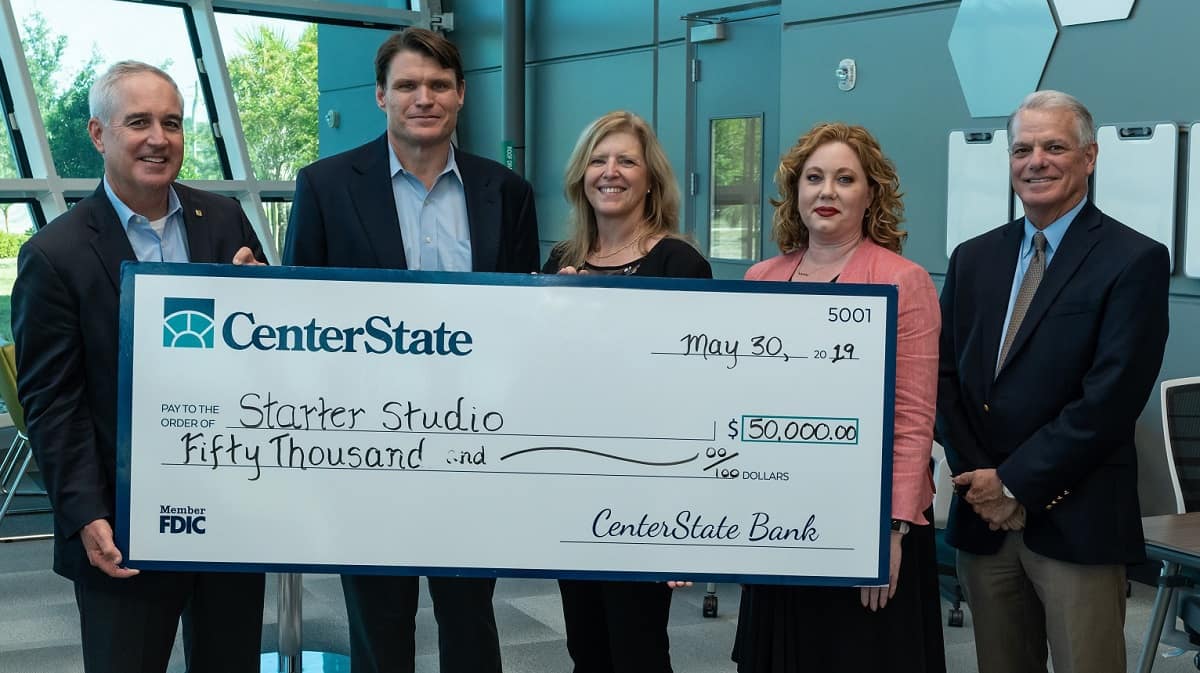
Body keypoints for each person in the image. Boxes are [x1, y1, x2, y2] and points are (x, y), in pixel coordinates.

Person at [282, 27, 538, 673]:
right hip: (365, 446)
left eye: (438, 85)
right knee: (378, 622)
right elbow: (301, 323)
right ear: (380, 96)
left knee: (470, 618)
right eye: (407, 85)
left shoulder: (506, 192)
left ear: (461, 96)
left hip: (474, 443)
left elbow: (522, 326)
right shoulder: (324, 186)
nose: (422, 97)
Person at [11, 60, 265, 673]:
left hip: (228, 508)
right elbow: (52, 401)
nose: (159, 138)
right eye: (139, 122)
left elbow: (262, 355)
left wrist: (262, 306)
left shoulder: (223, 220)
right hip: (121, 526)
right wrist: (85, 515)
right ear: (99, 135)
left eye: (172, 123)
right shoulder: (55, 254)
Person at [938, 90, 1170, 673]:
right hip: (984, 522)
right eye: (1022, 148)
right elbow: (943, 380)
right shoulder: (972, 259)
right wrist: (983, 490)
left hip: (1078, 520)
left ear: (1089, 157)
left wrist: (1013, 484)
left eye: (1054, 146)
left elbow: (1110, 400)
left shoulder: (1133, 259)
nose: (1035, 160)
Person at [731, 122, 945, 673]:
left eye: (845, 179)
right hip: (776, 516)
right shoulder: (760, 279)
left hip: (864, 523)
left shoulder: (904, 280)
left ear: (870, 193)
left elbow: (913, 418)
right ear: (795, 191)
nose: (827, 192)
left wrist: (889, 532)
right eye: (814, 178)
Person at [542, 110, 711, 672]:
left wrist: (685, 516)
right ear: (580, 175)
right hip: (571, 485)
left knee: (638, 649)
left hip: (646, 489)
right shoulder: (559, 265)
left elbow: (697, 397)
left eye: (626, 161)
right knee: (586, 649)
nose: (609, 172)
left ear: (650, 180)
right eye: (598, 159)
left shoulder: (678, 263)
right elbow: (535, 379)